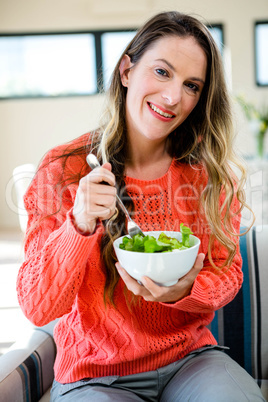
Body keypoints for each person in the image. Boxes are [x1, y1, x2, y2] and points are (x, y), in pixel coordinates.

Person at [16, 11, 265, 402]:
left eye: (192, 85)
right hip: (93, 374)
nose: (173, 98)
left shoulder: (210, 175)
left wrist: (188, 292)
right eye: (162, 72)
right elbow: (37, 306)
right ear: (127, 70)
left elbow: (227, 271)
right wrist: (78, 225)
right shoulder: (64, 169)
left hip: (191, 360)